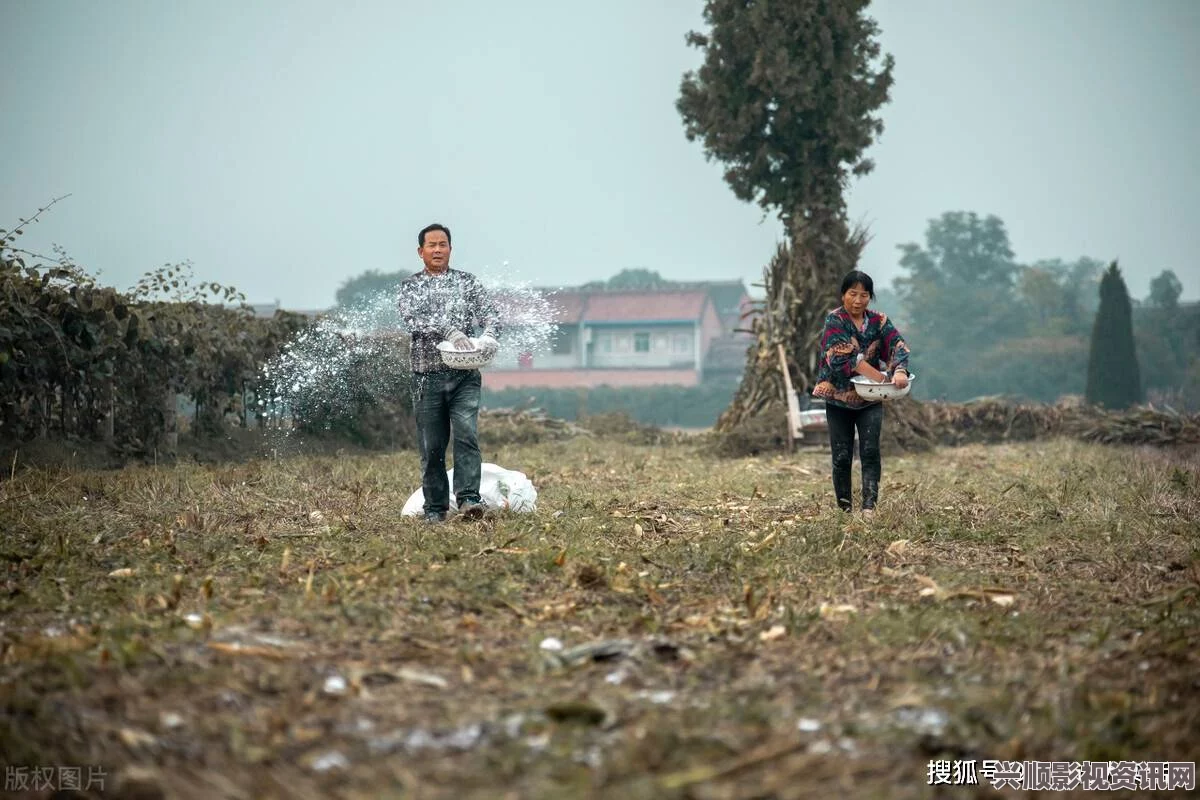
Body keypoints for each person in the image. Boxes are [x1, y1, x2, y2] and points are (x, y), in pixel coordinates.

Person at [397, 223, 500, 523]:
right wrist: (450, 331)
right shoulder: (410, 287)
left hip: (465, 374)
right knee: (432, 446)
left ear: (451, 249)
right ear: (421, 252)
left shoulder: (468, 283)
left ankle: (469, 500)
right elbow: (413, 318)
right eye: (432, 245)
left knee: (467, 434)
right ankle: (435, 508)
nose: (438, 250)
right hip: (426, 376)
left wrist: (491, 333)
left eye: (443, 244)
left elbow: (489, 313)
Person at [812, 270, 911, 516]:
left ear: (870, 297)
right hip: (839, 399)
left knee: (870, 451)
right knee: (842, 456)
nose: (858, 300)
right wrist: (880, 377)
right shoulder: (834, 320)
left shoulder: (879, 321)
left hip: (871, 399)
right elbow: (843, 360)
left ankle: (869, 509)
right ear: (843, 295)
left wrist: (900, 370)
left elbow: (898, 345)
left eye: (864, 295)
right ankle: (845, 511)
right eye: (853, 294)